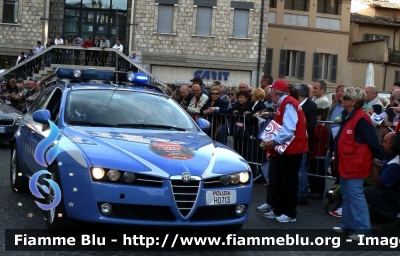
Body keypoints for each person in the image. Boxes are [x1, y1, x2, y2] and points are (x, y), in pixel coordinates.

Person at [332, 87, 384, 241]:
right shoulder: (350, 116)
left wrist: (378, 156)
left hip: (355, 163)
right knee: (348, 195)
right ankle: (348, 225)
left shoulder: (360, 118)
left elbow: (372, 141)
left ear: (353, 101)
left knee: (355, 196)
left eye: (346, 97)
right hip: (348, 162)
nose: (342, 99)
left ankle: (363, 230)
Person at [261, 80, 308, 223]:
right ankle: (280, 209)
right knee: (283, 181)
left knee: (289, 182)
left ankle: (289, 213)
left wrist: (274, 141)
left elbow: (289, 128)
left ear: (275, 92)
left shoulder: (288, 103)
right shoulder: (287, 102)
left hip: (292, 148)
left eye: (271, 92)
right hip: (289, 147)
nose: (270, 95)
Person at [365, 132, 400, 229]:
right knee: (373, 217)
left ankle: (396, 216)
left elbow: (378, 184)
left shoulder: (396, 163)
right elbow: (384, 164)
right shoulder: (394, 157)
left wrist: (374, 165)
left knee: (366, 192)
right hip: (395, 191)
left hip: (396, 194)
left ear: (393, 144)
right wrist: (377, 164)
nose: (382, 144)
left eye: (385, 142)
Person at [294, 83, 318, 205]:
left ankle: (302, 194)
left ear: (300, 94)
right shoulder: (293, 104)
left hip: (303, 141)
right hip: (293, 141)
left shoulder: (311, 106)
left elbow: (312, 124)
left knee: (301, 168)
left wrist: (296, 127)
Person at [308, 108, 328, 200]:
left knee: (319, 173)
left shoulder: (322, 127)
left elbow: (316, 136)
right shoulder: (318, 126)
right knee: (312, 172)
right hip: (313, 152)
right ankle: (313, 189)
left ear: (319, 116)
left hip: (319, 152)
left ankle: (319, 191)